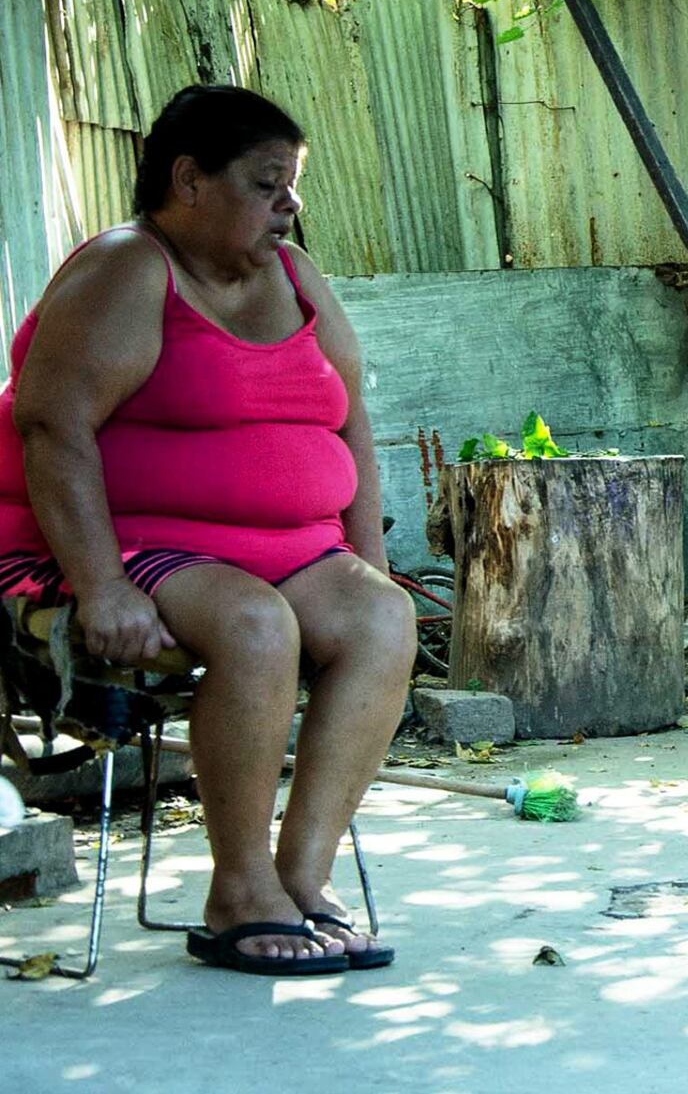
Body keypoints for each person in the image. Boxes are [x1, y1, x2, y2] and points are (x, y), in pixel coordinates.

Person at [0, 85, 414, 976]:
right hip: (132, 542)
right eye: (268, 184)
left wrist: (369, 563)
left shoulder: (298, 276)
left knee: (383, 620)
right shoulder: (126, 267)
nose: (288, 205)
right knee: (255, 625)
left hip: (290, 548)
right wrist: (102, 582)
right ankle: (238, 890)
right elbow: (52, 427)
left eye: (292, 184)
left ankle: (298, 879)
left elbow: (351, 424)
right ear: (189, 180)